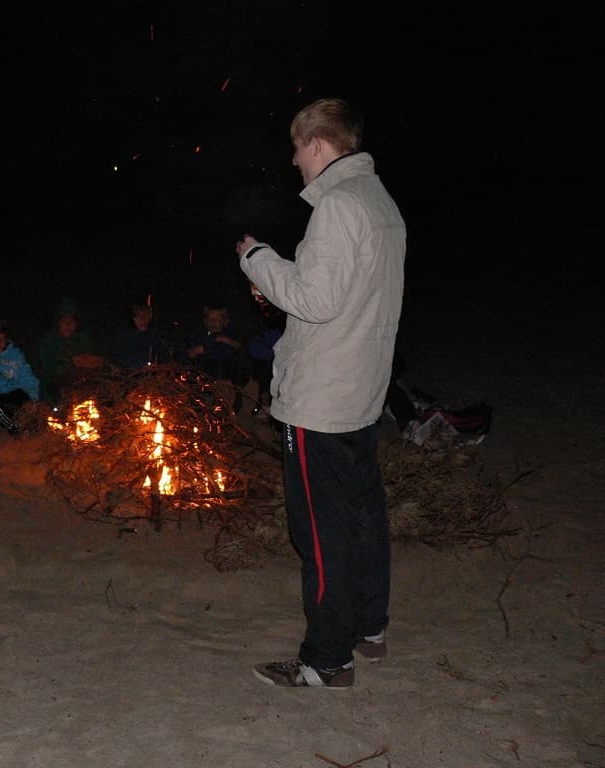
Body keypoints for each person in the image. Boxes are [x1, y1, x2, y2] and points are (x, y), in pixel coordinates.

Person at [237, 97, 406, 688]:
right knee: (362, 516)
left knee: (321, 529)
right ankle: (369, 626)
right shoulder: (379, 201)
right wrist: (286, 283)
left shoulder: (337, 205)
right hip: (360, 388)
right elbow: (346, 295)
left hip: (323, 399)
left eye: (296, 147)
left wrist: (258, 259)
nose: (293, 161)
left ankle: (327, 659)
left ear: (316, 143)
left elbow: (315, 299)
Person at [36, 297, 102, 405]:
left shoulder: (82, 341)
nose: (68, 324)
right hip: (55, 390)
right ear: (57, 323)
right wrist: (71, 363)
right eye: (64, 320)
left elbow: (99, 361)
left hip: (84, 388)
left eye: (72, 321)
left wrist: (92, 361)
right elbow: (48, 369)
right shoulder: (48, 343)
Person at [184, 300, 245, 384]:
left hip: (223, 381)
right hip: (200, 380)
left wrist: (227, 341)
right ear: (204, 321)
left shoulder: (229, 337)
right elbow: (188, 353)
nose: (213, 322)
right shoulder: (198, 336)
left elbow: (237, 351)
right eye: (209, 319)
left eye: (218, 320)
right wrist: (193, 352)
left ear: (225, 322)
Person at [109, 295, 173, 370]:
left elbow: (170, 359)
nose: (142, 319)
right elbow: (113, 360)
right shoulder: (122, 339)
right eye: (137, 315)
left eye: (146, 314)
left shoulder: (159, 338)